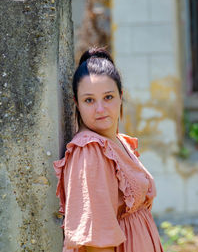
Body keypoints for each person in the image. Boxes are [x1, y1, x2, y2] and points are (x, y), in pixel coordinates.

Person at [53, 47, 164, 252]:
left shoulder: (118, 142)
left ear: (121, 96)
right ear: (76, 103)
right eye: (89, 100)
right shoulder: (90, 151)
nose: (100, 109)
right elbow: (95, 243)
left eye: (108, 97)